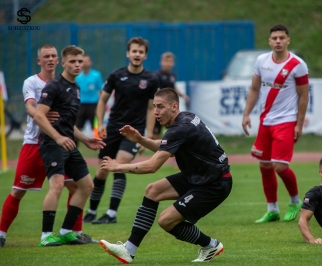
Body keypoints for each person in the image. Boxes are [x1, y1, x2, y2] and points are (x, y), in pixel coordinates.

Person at [98, 88, 232, 263]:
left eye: (160, 107)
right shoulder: (186, 118)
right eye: (154, 107)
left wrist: (117, 167)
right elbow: (165, 145)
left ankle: (210, 245)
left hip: (214, 183)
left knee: (166, 221)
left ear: (174, 106)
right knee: (153, 190)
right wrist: (140, 139)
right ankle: (128, 249)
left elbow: (152, 166)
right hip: (199, 175)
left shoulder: (180, 128)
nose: (156, 112)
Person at [0, 44, 93, 248]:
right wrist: (42, 115)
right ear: (39, 61)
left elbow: (67, 122)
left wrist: (85, 139)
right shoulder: (33, 82)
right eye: (46, 56)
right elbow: (31, 108)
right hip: (36, 143)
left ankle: (73, 232)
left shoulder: (70, 85)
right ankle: (1, 233)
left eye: (53, 56)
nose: (50, 59)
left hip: (61, 141)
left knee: (76, 186)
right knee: (18, 190)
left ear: (58, 61)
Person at [83, 37, 160, 224]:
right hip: (112, 128)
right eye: (134, 51)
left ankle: (111, 214)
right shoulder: (116, 75)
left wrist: (148, 135)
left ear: (145, 56)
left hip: (134, 132)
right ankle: (92, 211)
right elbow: (102, 100)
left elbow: (151, 108)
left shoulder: (151, 79)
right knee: (102, 171)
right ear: (128, 53)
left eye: (141, 52)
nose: (137, 54)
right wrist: (100, 124)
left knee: (119, 165)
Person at [34, 45, 105, 246]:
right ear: (63, 63)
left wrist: (85, 139)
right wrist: (57, 137)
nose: (76, 65)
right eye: (72, 61)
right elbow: (39, 116)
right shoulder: (54, 86)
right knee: (56, 186)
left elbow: (68, 124)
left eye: (79, 61)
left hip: (69, 143)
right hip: (52, 144)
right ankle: (46, 236)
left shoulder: (76, 87)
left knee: (86, 186)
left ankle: (66, 231)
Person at [241, 24, 309, 223]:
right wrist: (246, 114)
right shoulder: (261, 61)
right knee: (265, 165)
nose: (278, 41)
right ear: (269, 41)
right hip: (265, 121)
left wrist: (299, 124)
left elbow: (304, 96)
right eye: (274, 38)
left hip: (286, 122)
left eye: (282, 38)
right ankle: (272, 209)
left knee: (280, 166)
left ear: (288, 40)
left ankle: (296, 202)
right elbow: (254, 89)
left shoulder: (298, 64)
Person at [153, 52, 189, 139]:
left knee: (174, 130)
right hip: (159, 108)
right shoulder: (157, 75)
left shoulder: (173, 75)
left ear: (173, 63)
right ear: (161, 62)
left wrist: (183, 95)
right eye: (166, 61)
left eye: (170, 61)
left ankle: (171, 149)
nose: (168, 63)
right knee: (155, 134)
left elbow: (173, 88)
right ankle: (158, 150)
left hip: (169, 108)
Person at [75, 55, 103, 134]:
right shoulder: (77, 76)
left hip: (93, 105)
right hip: (81, 105)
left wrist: (100, 106)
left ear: (91, 62)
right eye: (83, 61)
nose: (85, 63)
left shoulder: (96, 75)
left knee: (97, 129)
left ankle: (100, 145)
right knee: (77, 128)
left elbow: (101, 90)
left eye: (87, 61)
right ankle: (73, 146)